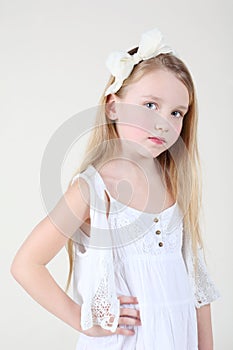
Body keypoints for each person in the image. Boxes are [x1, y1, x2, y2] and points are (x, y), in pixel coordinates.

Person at [11, 28, 220, 349]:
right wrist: (83, 318)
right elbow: (26, 264)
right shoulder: (93, 191)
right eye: (150, 105)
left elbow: (197, 288)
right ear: (113, 106)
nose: (163, 122)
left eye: (176, 113)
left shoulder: (176, 186)